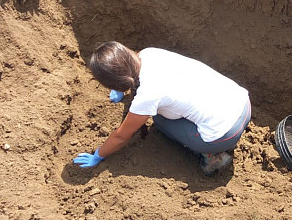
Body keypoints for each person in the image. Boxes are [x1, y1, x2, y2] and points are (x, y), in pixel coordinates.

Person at [73, 41, 251, 175]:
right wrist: (122, 88)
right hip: (241, 102)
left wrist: (98, 155)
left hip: (224, 135)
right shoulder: (149, 54)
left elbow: (121, 136)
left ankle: (213, 157)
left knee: (159, 119)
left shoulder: (147, 97)